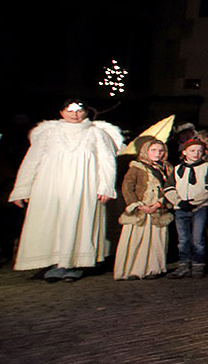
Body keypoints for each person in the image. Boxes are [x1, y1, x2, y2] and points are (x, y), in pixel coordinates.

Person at [8, 100, 122, 281]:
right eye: (70, 110)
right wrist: (22, 188)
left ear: (85, 112)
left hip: (83, 186)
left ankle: (73, 263)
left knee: (77, 220)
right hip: (51, 184)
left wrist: (105, 186)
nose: (75, 114)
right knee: (53, 221)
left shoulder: (96, 133)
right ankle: (54, 262)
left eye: (79, 111)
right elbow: (32, 160)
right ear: (61, 112)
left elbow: (107, 162)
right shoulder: (49, 133)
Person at [113, 136, 173, 280]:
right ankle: (133, 269)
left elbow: (170, 188)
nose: (157, 153)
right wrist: (137, 205)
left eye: (160, 151)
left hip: (157, 209)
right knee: (136, 240)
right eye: (153, 150)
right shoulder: (137, 167)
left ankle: (153, 269)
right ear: (146, 151)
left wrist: (161, 203)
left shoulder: (167, 169)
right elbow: (127, 187)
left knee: (156, 241)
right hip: (141, 210)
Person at [167, 137, 208, 278]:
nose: (196, 154)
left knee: (197, 238)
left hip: (199, 207)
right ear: (185, 152)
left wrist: (194, 202)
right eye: (192, 151)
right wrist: (178, 201)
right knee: (183, 239)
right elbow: (169, 187)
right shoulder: (177, 169)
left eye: (199, 151)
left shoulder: (207, 168)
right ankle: (184, 265)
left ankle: (198, 265)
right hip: (180, 208)